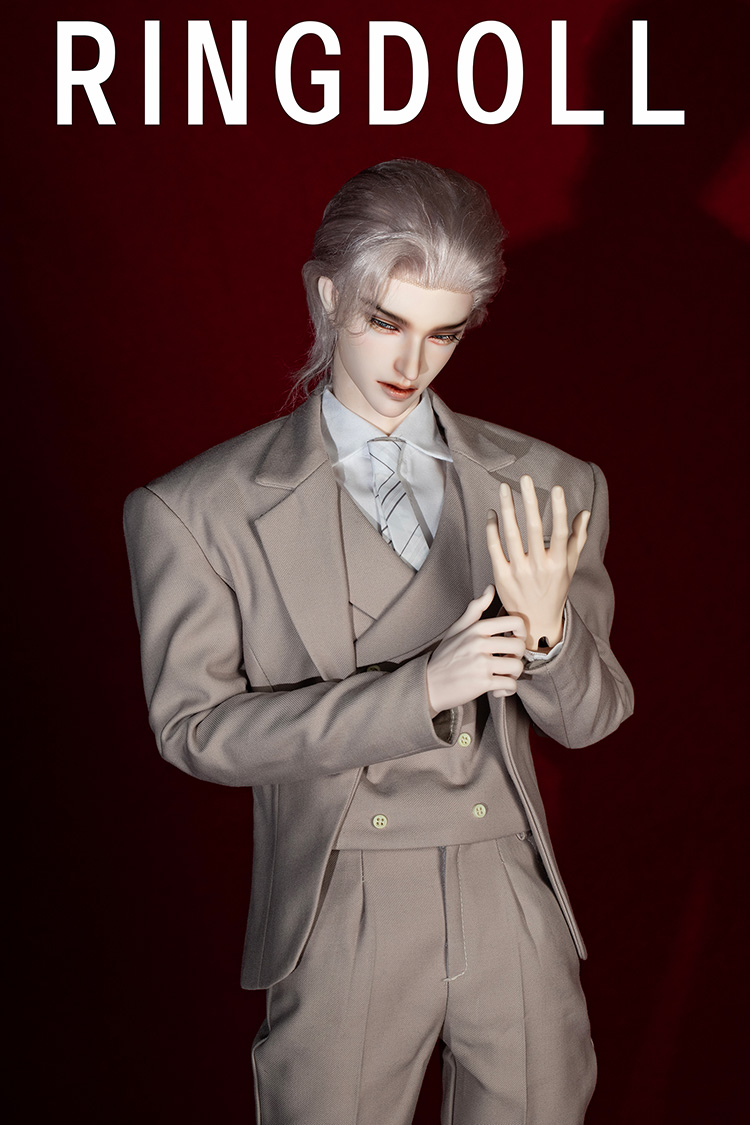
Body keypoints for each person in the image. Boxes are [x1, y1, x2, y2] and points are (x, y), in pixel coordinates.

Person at [124, 159, 633, 1124]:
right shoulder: (197, 510)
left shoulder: (552, 484)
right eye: (385, 321)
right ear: (328, 296)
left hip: (508, 886)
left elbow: (594, 716)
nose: (414, 362)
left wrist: (550, 634)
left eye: (445, 332)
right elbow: (194, 729)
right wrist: (420, 691)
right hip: (343, 895)